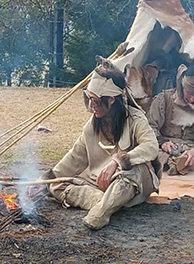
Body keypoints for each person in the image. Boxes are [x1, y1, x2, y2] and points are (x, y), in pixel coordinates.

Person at [33, 57, 160, 230]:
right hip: (99, 184)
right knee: (56, 185)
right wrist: (45, 180)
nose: (92, 105)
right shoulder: (93, 124)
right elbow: (75, 157)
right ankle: (105, 201)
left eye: (97, 100)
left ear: (112, 100)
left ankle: (101, 213)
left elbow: (151, 147)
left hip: (130, 181)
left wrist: (117, 161)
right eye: (89, 99)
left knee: (131, 173)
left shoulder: (135, 119)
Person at [146, 65, 194, 175]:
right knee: (146, 152)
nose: (192, 99)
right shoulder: (164, 99)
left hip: (190, 149)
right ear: (182, 87)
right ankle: (179, 164)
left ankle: (175, 164)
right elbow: (150, 127)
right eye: (189, 93)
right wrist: (162, 142)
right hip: (165, 148)